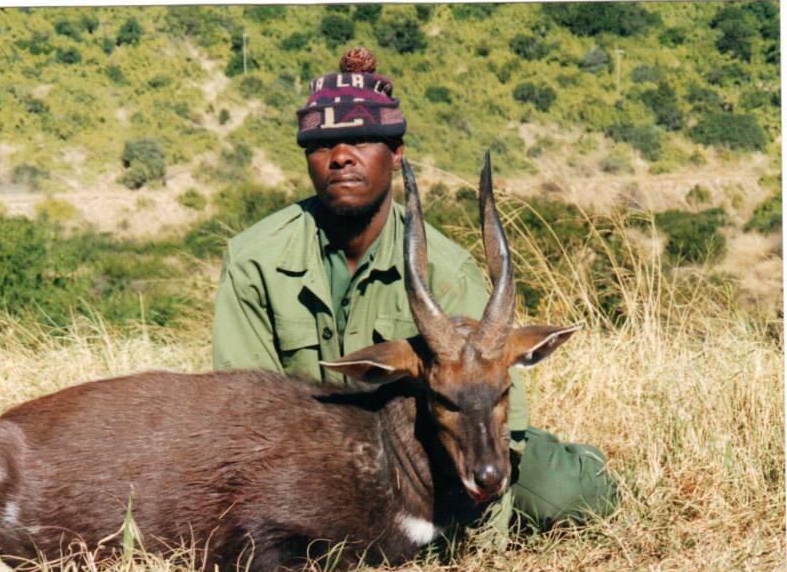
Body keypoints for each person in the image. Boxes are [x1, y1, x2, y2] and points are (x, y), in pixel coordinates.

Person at [211, 47, 616, 543]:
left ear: (396, 153)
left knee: (570, 493)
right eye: (322, 146)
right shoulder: (255, 258)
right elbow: (244, 406)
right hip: (311, 449)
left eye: (363, 140)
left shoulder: (446, 271)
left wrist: (483, 532)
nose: (341, 157)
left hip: (434, 446)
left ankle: (588, 465)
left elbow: (488, 405)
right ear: (308, 159)